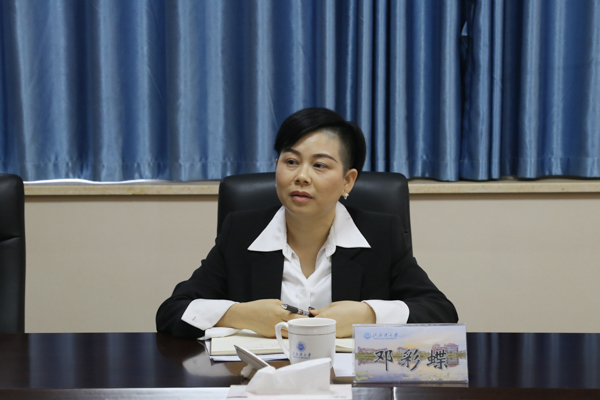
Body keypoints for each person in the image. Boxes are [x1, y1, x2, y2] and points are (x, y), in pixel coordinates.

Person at [156, 107, 458, 339]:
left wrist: (367, 315)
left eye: (319, 165)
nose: (301, 176)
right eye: (291, 161)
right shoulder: (242, 232)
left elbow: (440, 312)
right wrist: (240, 315)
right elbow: (171, 312)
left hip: (349, 386)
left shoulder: (380, 235)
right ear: (276, 167)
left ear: (348, 181)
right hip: (263, 384)